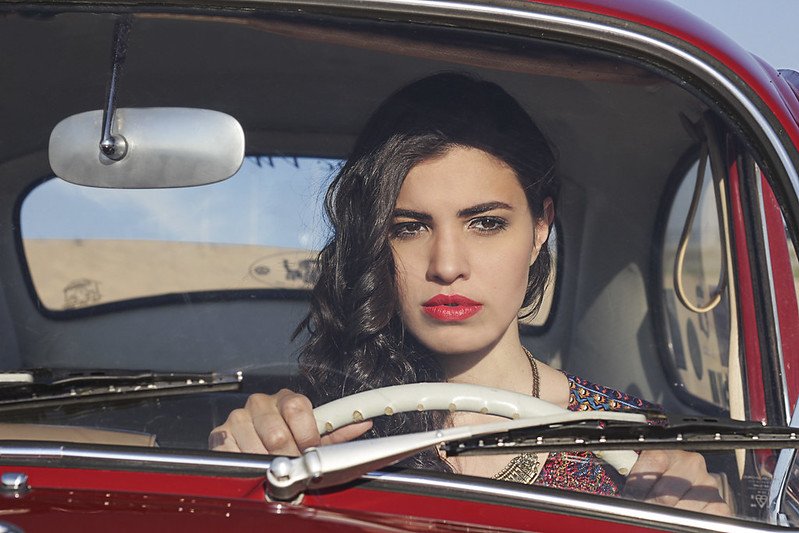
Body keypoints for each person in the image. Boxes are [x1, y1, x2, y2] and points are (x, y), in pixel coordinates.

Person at [210, 73, 730, 514]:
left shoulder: (634, 445)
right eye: (409, 228)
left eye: (485, 223)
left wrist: (695, 510)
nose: (447, 266)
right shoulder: (319, 425)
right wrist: (246, 467)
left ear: (540, 228)